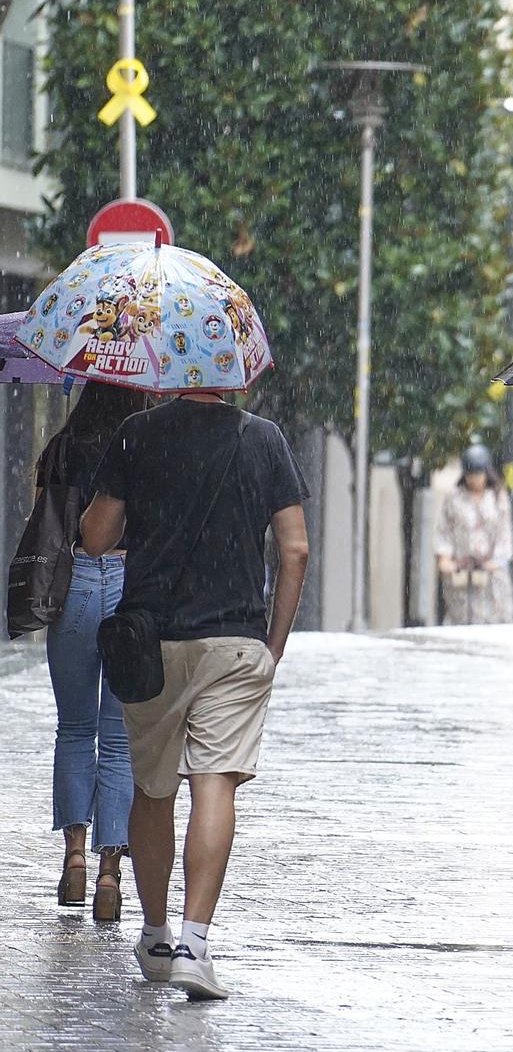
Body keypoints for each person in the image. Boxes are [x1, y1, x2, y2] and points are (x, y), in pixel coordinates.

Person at [78, 389, 310, 1001]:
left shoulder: (136, 433)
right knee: (215, 784)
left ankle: (154, 937)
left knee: (152, 790)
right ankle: (194, 944)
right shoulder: (264, 439)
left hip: (150, 643)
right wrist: (274, 642)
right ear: (236, 372)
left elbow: (95, 538)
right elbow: (296, 550)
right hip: (234, 640)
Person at [33, 382, 150, 921]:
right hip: (130, 584)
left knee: (74, 729)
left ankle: (74, 859)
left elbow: (44, 524)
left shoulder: (61, 445)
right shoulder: (146, 442)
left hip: (74, 583)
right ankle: (110, 874)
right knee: (120, 740)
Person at [434, 443, 513, 626]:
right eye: (470, 474)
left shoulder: (497, 497)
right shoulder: (454, 498)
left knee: (495, 623)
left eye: (478, 474)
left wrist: (496, 560)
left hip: (491, 575)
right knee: (462, 621)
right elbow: (444, 530)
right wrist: (445, 558)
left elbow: (505, 533)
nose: (474, 479)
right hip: (462, 572)